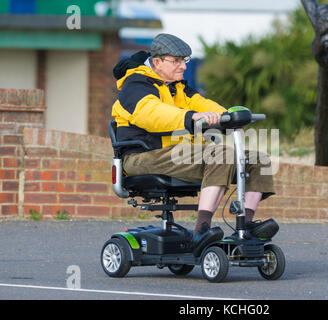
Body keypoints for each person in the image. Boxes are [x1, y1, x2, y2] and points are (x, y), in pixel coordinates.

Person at [111, 33, 276, 238]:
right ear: (157, 62)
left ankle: (245, 227)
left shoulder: (178, 88)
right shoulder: (135, 85)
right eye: (177, 61)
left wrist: (229, 117)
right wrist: (192, 117)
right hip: (142, 156)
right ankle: (202, 229)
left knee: (258, 160)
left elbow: (203, 104)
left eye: (184, 60)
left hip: (176, 155)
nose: (183, 66)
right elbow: (151, 114)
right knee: (221, 155)